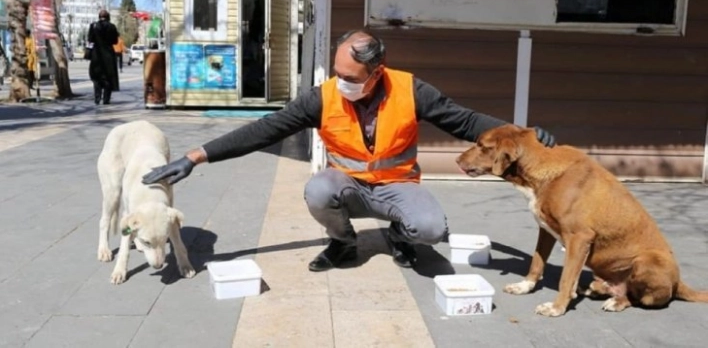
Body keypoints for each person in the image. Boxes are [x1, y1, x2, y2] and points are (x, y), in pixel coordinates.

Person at [141, 29, 556, 272]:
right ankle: (342, 242)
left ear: (376, 74)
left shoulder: (412, 90)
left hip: (397, 185)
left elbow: (464, 121)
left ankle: (399, 237)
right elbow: (266, 130)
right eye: (337, 72)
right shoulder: (322, 97)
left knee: (431, 230)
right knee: (318, 189)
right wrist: (196, 156)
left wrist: (522, 135)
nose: (340, 81)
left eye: (350, 75)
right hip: (349, 186)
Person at [88, 9, 120, 105]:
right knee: (108, 77)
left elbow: (90, 39)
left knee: (97, 78)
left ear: (99, 16)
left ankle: (97, 98)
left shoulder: (94, 26)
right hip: (108, 55)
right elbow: (115, 41)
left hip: (96, 54)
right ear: (108, 17)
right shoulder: (112, 27)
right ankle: (106, 99)